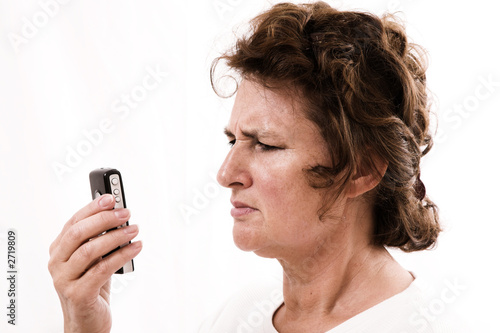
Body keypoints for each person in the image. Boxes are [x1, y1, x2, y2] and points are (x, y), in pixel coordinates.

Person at [48, 2, 453, 332]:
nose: (226, 175)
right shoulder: (238, 316)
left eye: (265, 144)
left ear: (362, 170)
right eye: (233, 140)